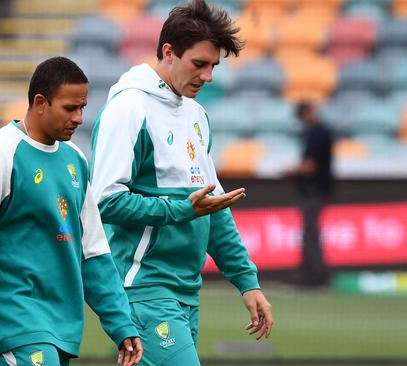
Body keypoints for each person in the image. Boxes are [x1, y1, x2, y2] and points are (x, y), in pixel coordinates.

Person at [89, 1, 273, 364]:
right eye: (199, 64)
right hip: (142, 289)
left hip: (186, 292)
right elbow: (105, 201)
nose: (208, 77)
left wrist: (247, 282)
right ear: (168, 52)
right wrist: (182, 208)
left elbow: (215, 212)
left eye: (214, 67)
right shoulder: (129, 109)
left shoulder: (197, 116)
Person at [0, 57, 142, 366]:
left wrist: (122, 324)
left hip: (62, 321)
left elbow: (94, 255)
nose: (78, 118)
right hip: (14, 315)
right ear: (40, 102)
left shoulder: (76, 160)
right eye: (69, 108)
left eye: (82, 108)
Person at [285, 101, 334, 287]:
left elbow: (309, 166)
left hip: (314, 191)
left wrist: (292, 171)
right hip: (317, 190)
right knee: (310, 234)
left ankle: (314, 277)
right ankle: (312, 276)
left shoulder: (317, 133)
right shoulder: (317, 131)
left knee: (310, 235)